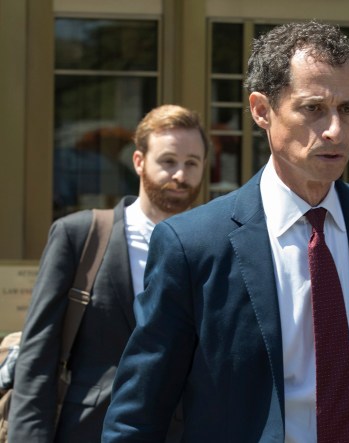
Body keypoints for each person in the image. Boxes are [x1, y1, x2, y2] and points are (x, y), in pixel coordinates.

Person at [102, 21, 349, 442]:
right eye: (313, 108)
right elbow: (138, 414)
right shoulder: (193, 245)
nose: (335, 130)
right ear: (262, 110)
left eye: (347, 109)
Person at [8, 104, 208, 442]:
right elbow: (38, 353)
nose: (180, 175)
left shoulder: (211, 246)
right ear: (139, 161)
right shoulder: (80, 235)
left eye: (192, 163)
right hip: (88, 429)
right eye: (168, 161)